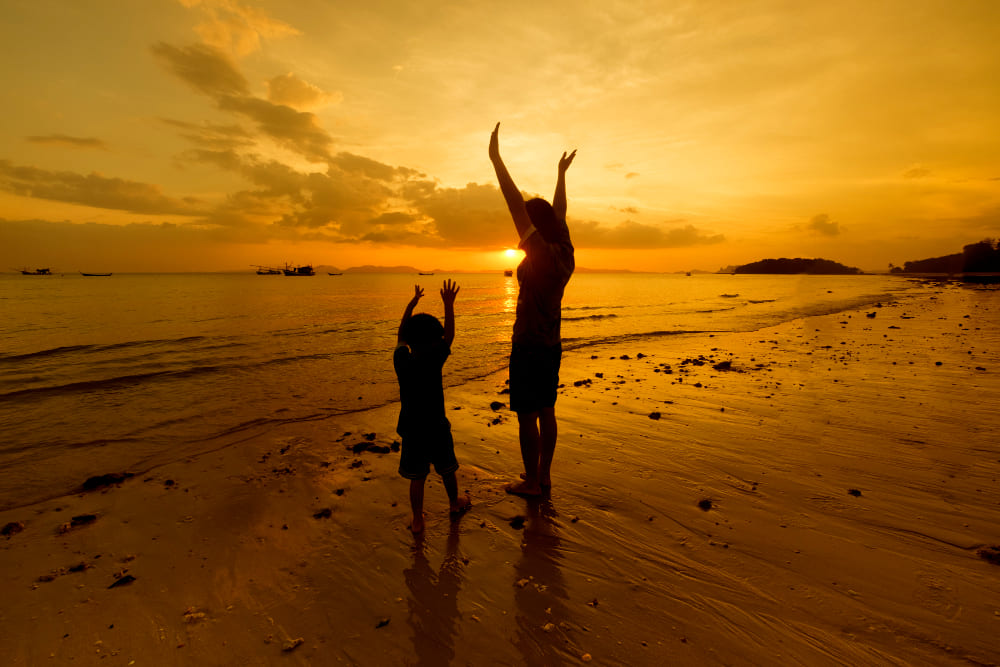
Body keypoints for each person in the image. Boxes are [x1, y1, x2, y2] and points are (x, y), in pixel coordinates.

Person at [489, 122, 576, 496]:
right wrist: (560, 175)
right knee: (547, 411)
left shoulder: (539, 250)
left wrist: (496, 160)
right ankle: (544, 476)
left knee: (527, 415)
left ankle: (531, 482)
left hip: (528, 346)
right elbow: (559, 213)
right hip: (552, 345)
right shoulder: (565, 250)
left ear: (534, 229)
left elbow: (514, 205)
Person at [394, 280, 471, 533]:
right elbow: (449, 335)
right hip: (436, 426)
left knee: (417, 476)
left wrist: (411, 304)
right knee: (447, 468)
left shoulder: (402, 360)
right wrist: (449, 304)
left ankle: (418, 519)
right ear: (435, 340)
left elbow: (400, 335)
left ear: (410, 340)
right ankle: (454, 503)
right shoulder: (434, 359)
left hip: (412, 428)